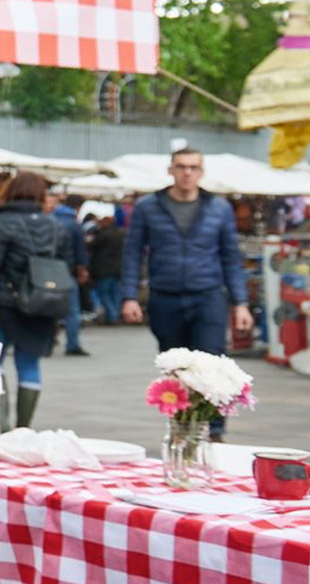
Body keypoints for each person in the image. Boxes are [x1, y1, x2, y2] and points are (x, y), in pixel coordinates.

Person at [120, 147, 252, 438]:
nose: (187, 173)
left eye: (193, 167)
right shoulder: (148, 207)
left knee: (212, 365)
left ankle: (215, 430)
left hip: (208, 295)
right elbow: (132, 254)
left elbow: (231, 257)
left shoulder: (218, 208)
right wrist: (129, 296)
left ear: (201, 172)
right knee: (175, 367)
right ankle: (181, 427)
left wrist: (241, 303)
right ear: (171, 170)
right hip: (165, 297)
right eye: (181, 167)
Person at [0, 172, 69, 429]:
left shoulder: (0, 223)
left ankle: (3, 427)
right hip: (43, 304)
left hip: (2, 303)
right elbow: (65, 265)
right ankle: (24, 428)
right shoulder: (56, 226)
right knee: (29, 364)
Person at [46, 190, 90, 355]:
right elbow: (80, 251)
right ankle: (72, 344)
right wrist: (82, 269)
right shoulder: (73, 224)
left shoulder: (49, 219)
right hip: (66, 271)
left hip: (45, 271)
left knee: (47, 308)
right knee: (72, 311)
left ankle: (48, 342)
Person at [87, 206, 126, 324]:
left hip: (103, 268)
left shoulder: (102, 234)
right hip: (119, 268)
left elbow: (91, 246)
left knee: (104, 293)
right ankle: (114, 315)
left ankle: (112, 315)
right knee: (115, 294)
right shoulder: (122, 233)